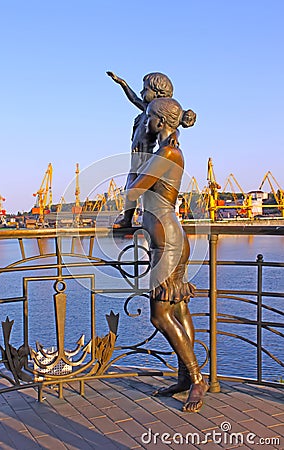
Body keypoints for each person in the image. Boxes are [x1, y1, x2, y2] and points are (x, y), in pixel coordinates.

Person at [127, 97, 208, 413]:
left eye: (148, 118)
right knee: (178, 309)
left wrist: (137, 150)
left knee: (159, 315)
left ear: (159, 121)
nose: (146, 123)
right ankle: (185, 378)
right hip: (169, 240)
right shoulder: (168, 151)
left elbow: (133, 190)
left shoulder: (168, 153)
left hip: (169, 244)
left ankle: (197, 378)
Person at [107, 71, 196, 228]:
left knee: (133, 187)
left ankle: (128, 219)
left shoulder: (159, 114)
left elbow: (171, 124)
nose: (141, 92)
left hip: (145, 157)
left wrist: (175, 136)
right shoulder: (149, 110)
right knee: (131, 185)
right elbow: (133, 98)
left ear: (158, 93)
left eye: (145, 89)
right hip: (136, 155)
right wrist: (123, 84)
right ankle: (128, 218)